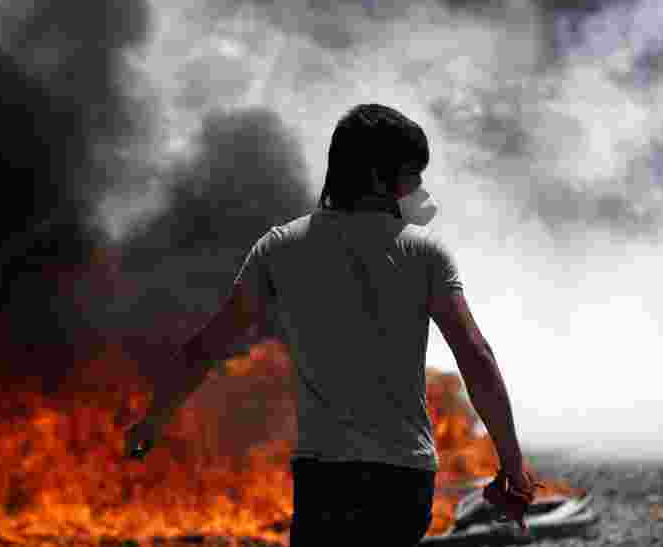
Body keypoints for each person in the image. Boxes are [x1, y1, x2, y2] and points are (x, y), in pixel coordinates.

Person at [125, 104, 538, 545]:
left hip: (325, 476)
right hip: (403, 477)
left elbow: (207, 346)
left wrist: (154, 418)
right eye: (412, 175)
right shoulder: (425, 255)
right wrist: (512, 465)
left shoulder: (280, 248)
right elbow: (476, 358)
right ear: (379, 177)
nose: (419, 188)